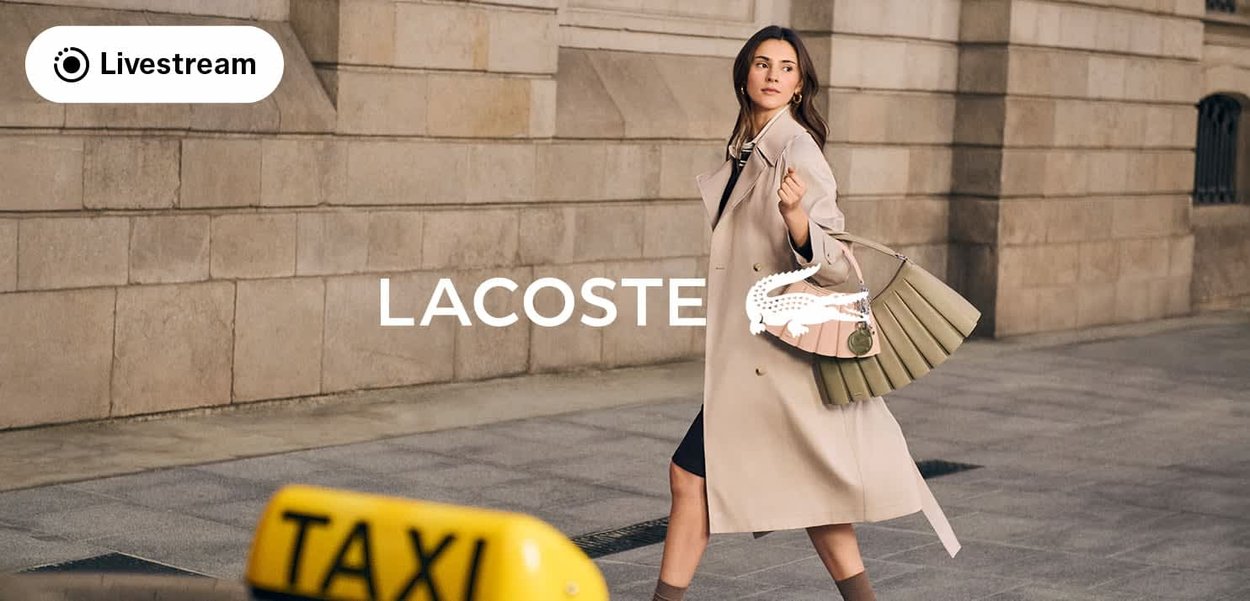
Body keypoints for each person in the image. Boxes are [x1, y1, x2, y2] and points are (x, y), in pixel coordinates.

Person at [653, 25, 960, 601]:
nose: (773, 75)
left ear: (799, 85)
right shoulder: (748, 147)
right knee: (811, 493)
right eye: (763, 64)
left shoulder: (796, 149)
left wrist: (796, 218)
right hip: (761, 358)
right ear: (745, 75)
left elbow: (837, 265)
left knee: (691, 476)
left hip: (776, 361)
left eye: (786, 67)